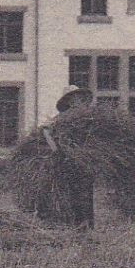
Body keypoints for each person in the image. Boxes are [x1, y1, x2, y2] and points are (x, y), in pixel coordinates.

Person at [40, 84, 97, 226]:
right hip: (68, 160)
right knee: (73, 192)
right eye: (73, 98)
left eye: (79, 98)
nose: (77, 101)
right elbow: (45, 130)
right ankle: (77, 225)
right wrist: (56, 150)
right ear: (68, 101)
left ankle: (88, 225)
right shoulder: (62, 118)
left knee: (87, 193)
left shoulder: (87, 117)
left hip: (85, 160)